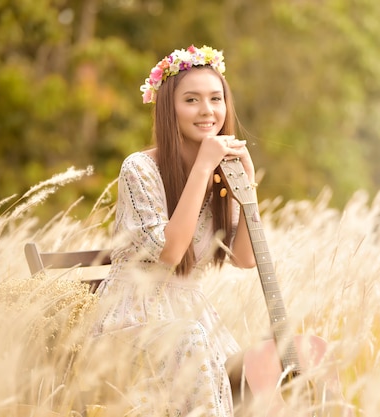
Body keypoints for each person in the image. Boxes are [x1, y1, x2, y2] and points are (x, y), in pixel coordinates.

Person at [89, 44, 256, 417]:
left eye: (216, 99)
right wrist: (203, 166)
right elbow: (169, 253)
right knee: (191, 341)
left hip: (192, 315)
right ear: (169, 108)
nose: (207, 111)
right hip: (133, 317)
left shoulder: (221, 172)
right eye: (191, 100)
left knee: (254, 373)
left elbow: (245, 258)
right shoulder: (139, 169)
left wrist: (249, 185)